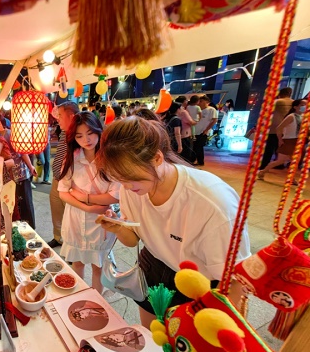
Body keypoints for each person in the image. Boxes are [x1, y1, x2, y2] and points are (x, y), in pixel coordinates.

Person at [96, 117, 250, 329]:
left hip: (199, 283)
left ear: (157, 158)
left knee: (188, 345)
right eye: (119, 178)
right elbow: (132, 240)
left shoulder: (212, 202)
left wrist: (229, 327)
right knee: (153, 337)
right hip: (153, 265)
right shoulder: (131, 187)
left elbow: (235, 279)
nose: (126, 186)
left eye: (131, 177)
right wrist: (118, 228)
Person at [58, 112, 119, 292]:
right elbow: (63, 192)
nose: (86, 140)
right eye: (79, 136)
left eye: (90, 133)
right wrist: (87, 207)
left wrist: (85, 197)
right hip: (76, 218)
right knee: (77, 263)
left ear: (98, 130)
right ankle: (78, 297)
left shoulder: (111, 158)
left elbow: (115, 195)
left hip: (101, 221)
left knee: (98, 266)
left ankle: (96, 302)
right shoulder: (72, 158)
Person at [48, 101, 80, 248]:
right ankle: (58, 238)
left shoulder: (79, 135)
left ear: (71, 116)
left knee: (71, 216)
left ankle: (71, 244)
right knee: (57, 211)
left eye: (60, 115)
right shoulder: (64, 132)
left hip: (70, 184)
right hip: (57, 179)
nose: (58, 119)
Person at [258, 98, 306, 184]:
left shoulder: (303, 117)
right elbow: (279, 128)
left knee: (295, 161)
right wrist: (280, 139)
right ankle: (263, 171)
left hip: (298, 141)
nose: (305, 107)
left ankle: (291, 178)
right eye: (302, 105)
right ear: (295, 107)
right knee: (280, 161)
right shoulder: (291, 116)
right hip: (288, 141)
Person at [260, 87, 294, 170]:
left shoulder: (277, 102)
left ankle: (264, 165)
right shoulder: (294, 103)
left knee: (269, 148)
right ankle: (279, 164)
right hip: (287, 129)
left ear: (280, 94)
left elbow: (266, 112)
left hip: (274, 127)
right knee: (280, 148)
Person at [191, 95, 217, 166]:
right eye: (199, 101)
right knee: (194, 146)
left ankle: (199, 161)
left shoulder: (211, 110)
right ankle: (195, 160)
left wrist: (206, 130)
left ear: (207, 102)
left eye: (201, 101)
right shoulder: (197, 109)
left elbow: (214, 120)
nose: (199, 103)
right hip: (194, 131)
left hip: (203, 132)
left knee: (199, 146)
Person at [175, 96, 196, 162]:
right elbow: (191, 122)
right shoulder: (183, 112)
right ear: (183, 102)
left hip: (178, 135)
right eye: (186, 100)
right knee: (186, 154)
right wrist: (196, 121)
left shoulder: (176, 111)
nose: (187, 102)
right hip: (185, 134)